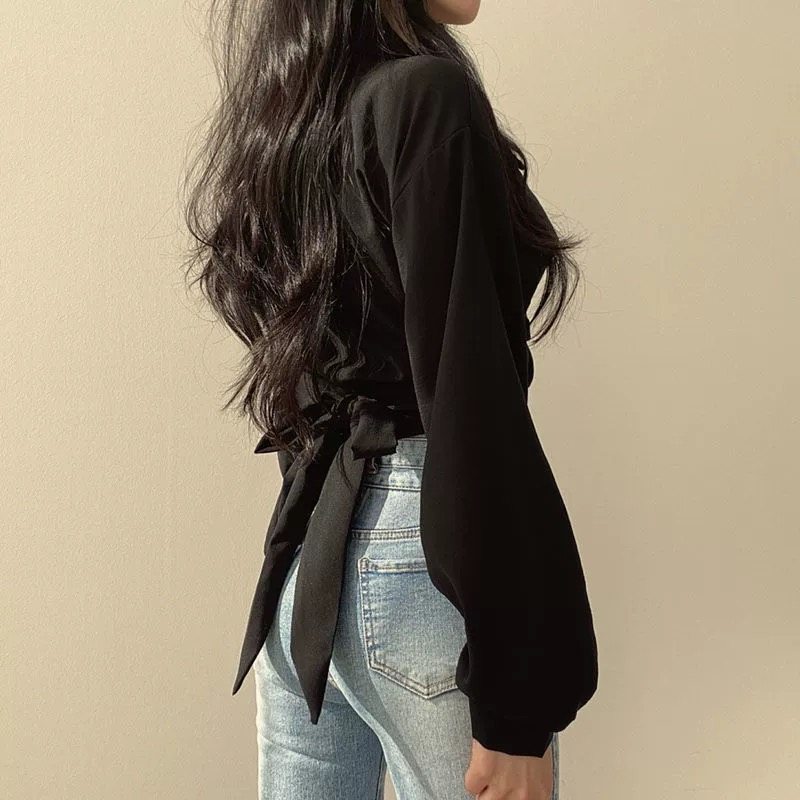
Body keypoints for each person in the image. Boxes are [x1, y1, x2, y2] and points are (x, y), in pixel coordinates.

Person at [183, 1, 599, 797]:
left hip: (307, 569)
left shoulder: (287, 124)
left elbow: (310, 382)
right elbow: (471, 395)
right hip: (418, 569)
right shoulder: (426, 96)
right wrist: (515, 707)